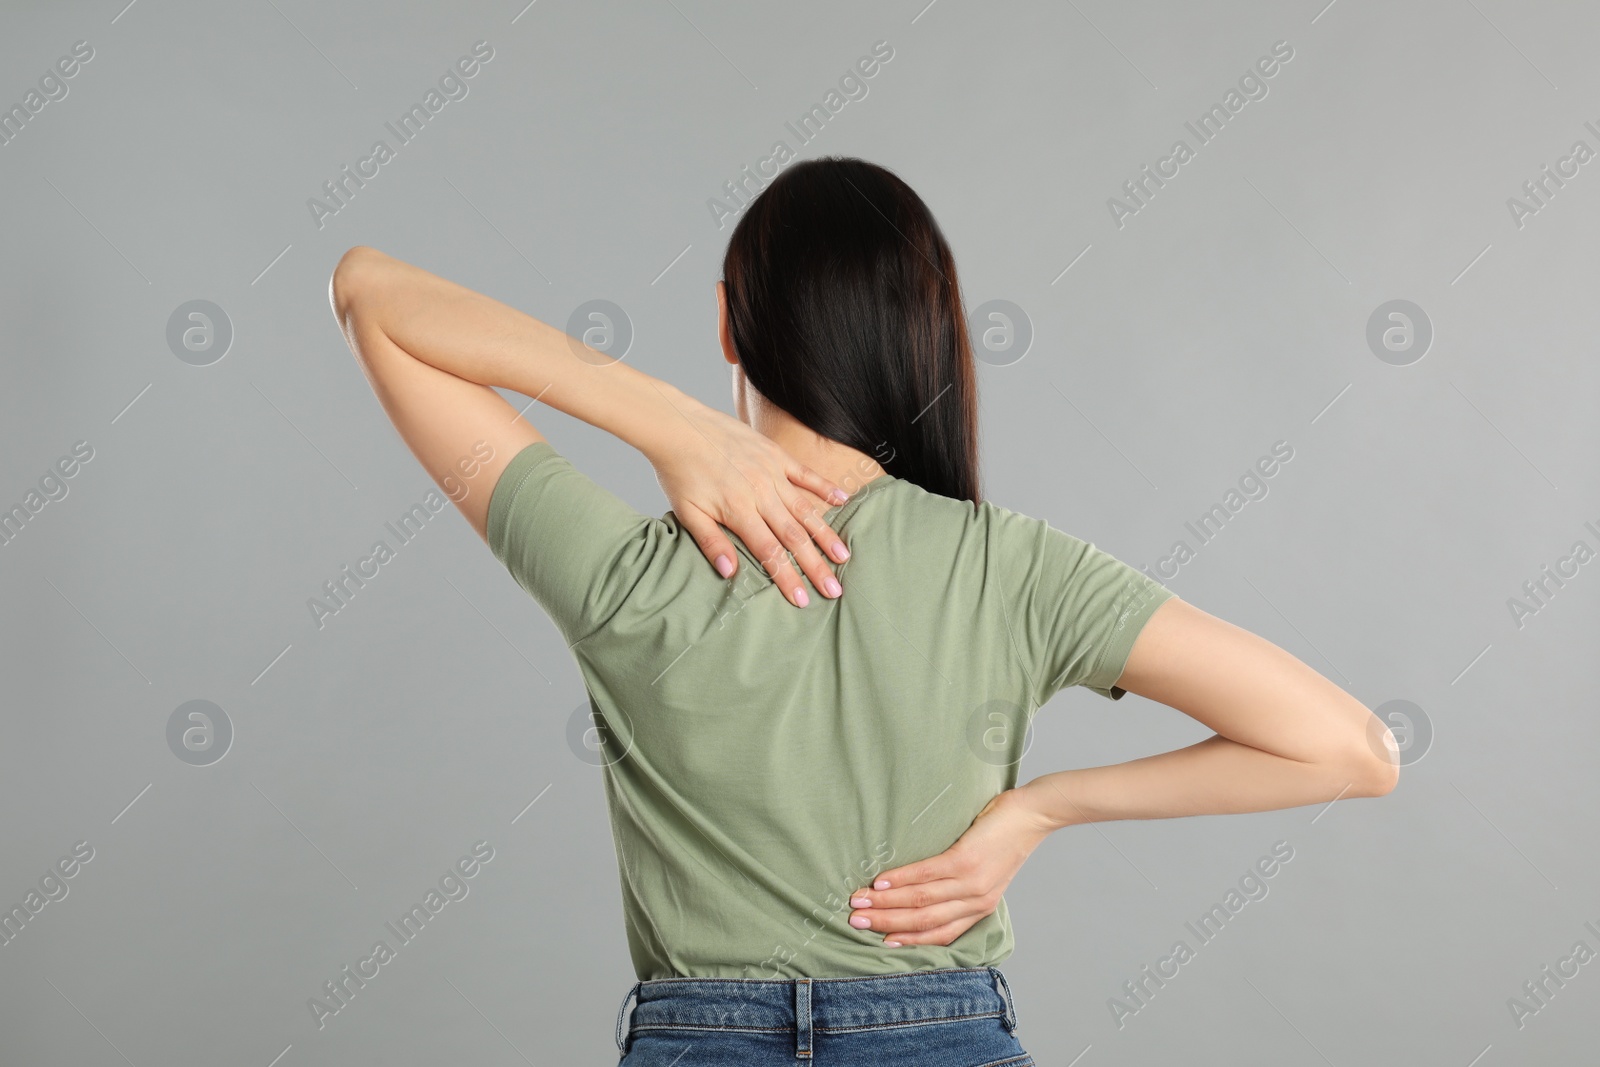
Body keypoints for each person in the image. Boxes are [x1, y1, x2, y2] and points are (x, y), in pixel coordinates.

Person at [328, 156, 1400, 1066]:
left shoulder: (624, 571)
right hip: (943, 1028)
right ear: (925, 332)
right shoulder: (1009, 568)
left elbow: (368, 289)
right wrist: (1040, 810)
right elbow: (1352, 748)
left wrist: (660, 420)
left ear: (724, 319)